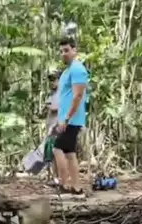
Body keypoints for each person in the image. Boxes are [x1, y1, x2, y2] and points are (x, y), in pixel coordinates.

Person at [53, 37, 89, 197]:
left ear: (74, 50)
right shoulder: (67, 71)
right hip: (66, 118)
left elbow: (77, 96)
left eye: (67, 50)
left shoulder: (77, 69)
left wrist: (67, 119)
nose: (63, 54)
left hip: (72, 119)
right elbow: (64, 96)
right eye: (61, 51)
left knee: (57, 148)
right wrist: (60, 118)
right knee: (69, 152)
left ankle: (65, 184)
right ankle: (77, 188)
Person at [43, 71, 60, 186]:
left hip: (58, 126)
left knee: (58, 153)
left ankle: (59, 178)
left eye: (54, 80)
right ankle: (53, 178)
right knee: (51, 154)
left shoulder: (63, 93)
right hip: (51, 126)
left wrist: (49, 106)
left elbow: (56, 107)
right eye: (51, 80)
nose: (52, 82)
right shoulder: (52, 94)